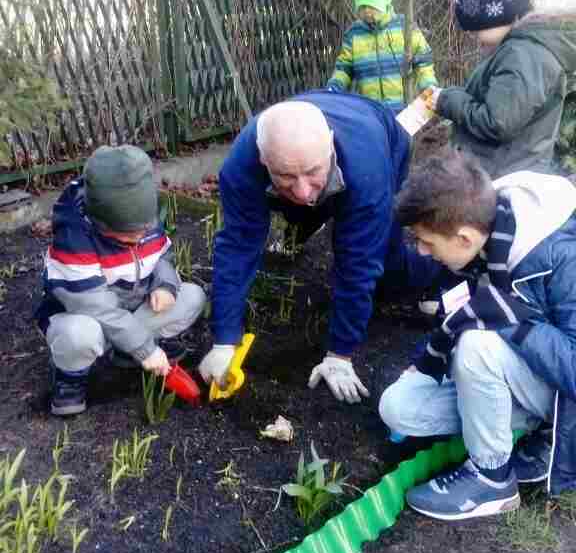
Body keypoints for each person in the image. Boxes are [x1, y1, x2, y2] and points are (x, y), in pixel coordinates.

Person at [198, 90, 438, 404]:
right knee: (302, 210)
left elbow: (358, 263)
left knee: (384, 263)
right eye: (285, 176)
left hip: (381, 137)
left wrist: (340, 354)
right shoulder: (240, 166)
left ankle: (439, 279)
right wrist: (224, 339)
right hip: (321, 136)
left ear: (329, 145)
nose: (302, 191)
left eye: (312, 173)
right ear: (262, 157)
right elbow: (237, 247)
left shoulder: (367, 171)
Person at [378, 147, 576, 521]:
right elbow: (460, 312)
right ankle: (512, 422)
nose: (420, 251)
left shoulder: (564, 258)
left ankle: (491, 478)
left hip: (562, 397)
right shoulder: (484, 235)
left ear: (465, 238)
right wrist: (423, 365)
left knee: (479, 342)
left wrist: (509, 323)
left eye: (426, 242)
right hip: (520, 373)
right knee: (398, 409)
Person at [36, 145, 206, 416]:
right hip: (88, 319)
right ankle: (70, 379)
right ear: (99, 221)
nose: (140, 237)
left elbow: (163, 254)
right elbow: (94, 306)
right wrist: (145, 348)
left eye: (144, 230)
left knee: (191, 296)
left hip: (130, 310)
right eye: (127, 235)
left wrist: (165, 284)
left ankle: (126, 354)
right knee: (78, 334)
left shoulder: (143, 216)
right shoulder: (74, 237)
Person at [430, 0, 576, 177]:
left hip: (505, 186)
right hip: (496, 175)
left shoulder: (525, 55)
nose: (474, 37)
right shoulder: (516, 49)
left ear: (498, 13)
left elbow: (496, 122)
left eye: (476, 29)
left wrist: (446, 99)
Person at [326, 0, 437, 115]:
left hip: (402, 111)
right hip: (370, 113)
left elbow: (424, 60)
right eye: (362, 7)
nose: (367, 12)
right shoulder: (354, 35)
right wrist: (334, 88)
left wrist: (428, 86)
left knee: (403, 137)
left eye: (371, 6)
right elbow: (344, 68)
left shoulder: (405, 28)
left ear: (385, 2)